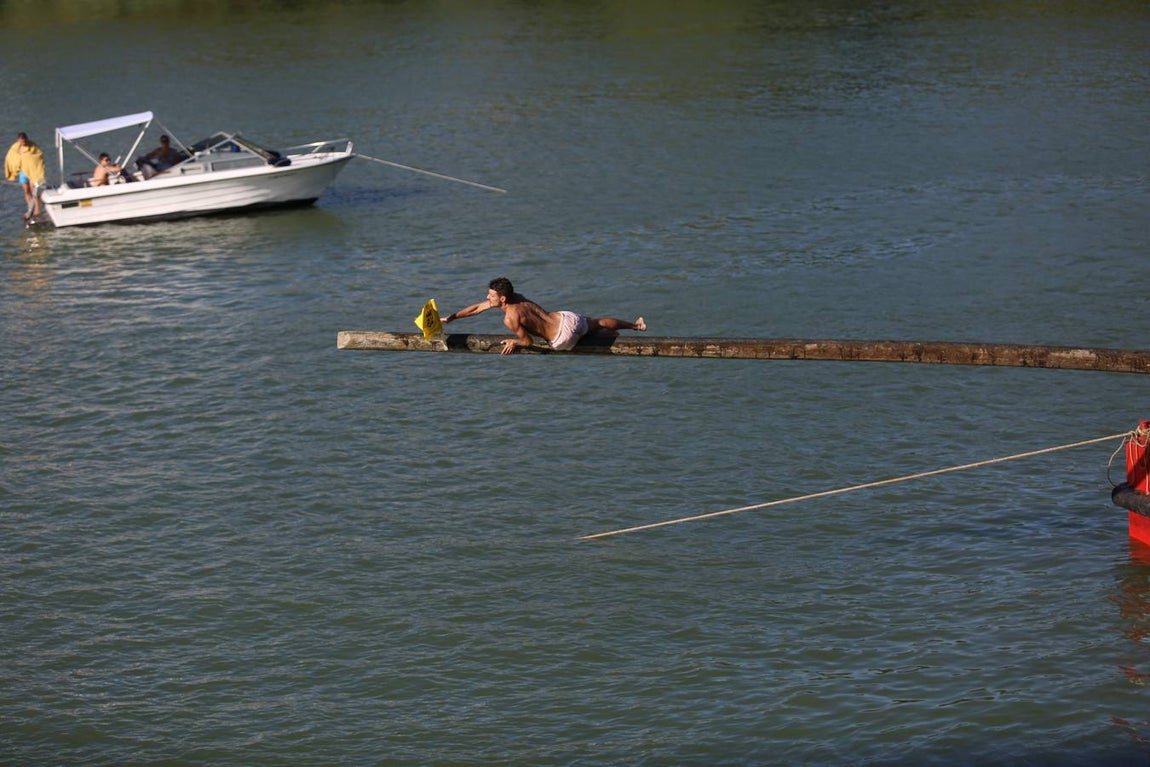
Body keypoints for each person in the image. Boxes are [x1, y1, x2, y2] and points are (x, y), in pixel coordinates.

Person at [443, 277, 647, 355]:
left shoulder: (510, 318)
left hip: (560, 339)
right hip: (567, 320)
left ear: (503, 299)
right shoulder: (518, 297)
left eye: (491, 295)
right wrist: (452, 317)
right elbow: (476, 309)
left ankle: (611, 337)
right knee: (597, 322)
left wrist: (514, 342)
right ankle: (636, 327)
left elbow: (527, 340)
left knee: (587, 337)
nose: (487, 298)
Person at [4, 132, 46, 220]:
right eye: (22, 141)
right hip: (22, 172)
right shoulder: (15, 148)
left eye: (25, 141)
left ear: (27, 139)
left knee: (33, 191)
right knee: (26, 191)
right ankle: (30, 208)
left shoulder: (33, 146)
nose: (24, 143)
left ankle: (37, 210)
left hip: (32, 171)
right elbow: (10, 157)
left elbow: (39, 155)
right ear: (18, 140)